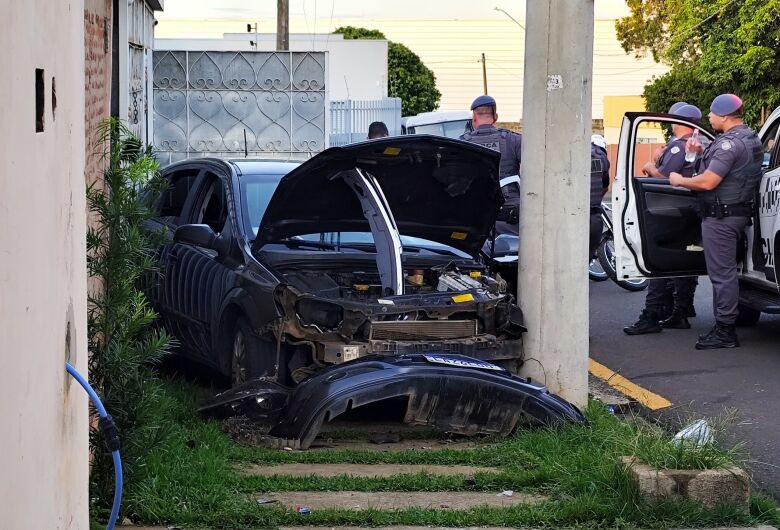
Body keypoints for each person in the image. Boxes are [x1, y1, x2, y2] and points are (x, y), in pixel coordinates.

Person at [668, 94, 764, 349]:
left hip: (721, 217)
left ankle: (725, 330)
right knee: (728, 272)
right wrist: (701, 152)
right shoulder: (748, 137)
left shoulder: (728, 144)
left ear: (724, 116)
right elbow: (733, 167)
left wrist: (679, 180)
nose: (708, 116)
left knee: (722, 275)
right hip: (735, 213)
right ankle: (726, 323)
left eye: (711, 112)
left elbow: (709, 181)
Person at [624, 104, 703, 335]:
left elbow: (666, 179)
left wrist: (651, 166)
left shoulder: (679, 147)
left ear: (678, 121)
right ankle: (681, 311)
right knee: (683, 261)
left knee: (658, 263)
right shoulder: (700, 145)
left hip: (671, 211)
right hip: (690, 210)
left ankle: (652, 314)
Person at [459, 95, 523, 235]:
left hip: (476, 221)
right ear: (495, 117)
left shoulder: (462, 144)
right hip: (510, 221)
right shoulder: (514, 140)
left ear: (474, 118)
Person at [589, 134, 610, 259]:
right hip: (592, 216)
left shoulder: (579, 153)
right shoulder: (602, 158)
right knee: (588, 253)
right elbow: (605, 187)